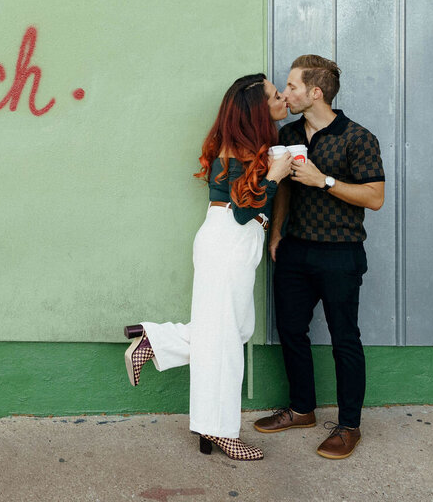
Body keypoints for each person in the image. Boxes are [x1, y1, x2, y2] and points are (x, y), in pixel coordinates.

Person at [124, 73, 290, 461]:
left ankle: (154, 340)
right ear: (257, 109)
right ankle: (222, 431)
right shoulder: (240, 153)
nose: (281, 96)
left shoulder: (245, 147)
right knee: (227, 340)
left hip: (233, 243)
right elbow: (243, 211)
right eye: (273, 95)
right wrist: (275, 178)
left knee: (234, 330)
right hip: (228, 241)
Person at [254, 54, 384, 460]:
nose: (285, 92)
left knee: (345, 339)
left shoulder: (358, 137)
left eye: (291, 86)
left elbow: (375, 197)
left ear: (315, 92)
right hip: (294, 249)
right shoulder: (290, 131)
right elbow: (286, 189)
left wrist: (323, 180)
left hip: (340, 252)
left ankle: (349, 427)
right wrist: (276, 234)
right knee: (291, 331)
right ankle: (301, 409)